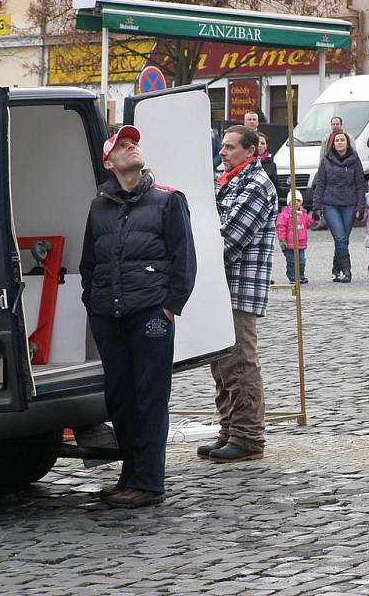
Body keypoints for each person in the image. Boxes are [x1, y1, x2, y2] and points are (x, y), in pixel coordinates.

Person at [79, 125, 197, 508]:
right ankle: (129, 475)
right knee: (120, 399)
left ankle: (148, 482)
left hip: (150, 314)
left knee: (149, 398)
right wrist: (93, 304)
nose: (132, 147)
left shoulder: (167, 200)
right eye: (122, 145)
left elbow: (184, 260)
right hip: (108, 316)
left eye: (134, 143)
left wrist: (169, 307)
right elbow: (89, 263)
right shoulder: (99, 206)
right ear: (108, 161)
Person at [198, 124, 277, 463]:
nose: (223, 152)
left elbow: (229, 238)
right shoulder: (230, 182)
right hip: (220, 286)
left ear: (250, 151)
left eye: (230, 147)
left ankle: (247, 437)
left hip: (239, 288)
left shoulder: (257, 185)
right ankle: (229, 430)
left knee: (240, 363)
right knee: (222, 366)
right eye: (223, 147)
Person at [312, 130, 365, 283]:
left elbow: (360, 185)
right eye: (337, 141)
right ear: (332, 144)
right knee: (340, 237)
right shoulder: (326, 161)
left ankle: (336, 269)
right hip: (330, 204)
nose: (340, 143)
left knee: (343, 239)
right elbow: (320, 184)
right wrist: (316, 206)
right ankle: (347, 271)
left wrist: (361, 207)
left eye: (342, 140)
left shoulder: (355, 160)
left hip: (350, 204)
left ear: (347, 143)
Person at [277, 189, 315, 284]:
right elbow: (281, 227)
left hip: (300, 243)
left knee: (301, 262)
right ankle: (292, 276)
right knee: (292, 262)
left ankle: (301, 276)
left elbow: (309, 223)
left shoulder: (303, 214)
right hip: (289, 244)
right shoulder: (284, 215)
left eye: (298, 201)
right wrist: (282, 240)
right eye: (293, 201)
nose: (296, 203)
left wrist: (315, 218)